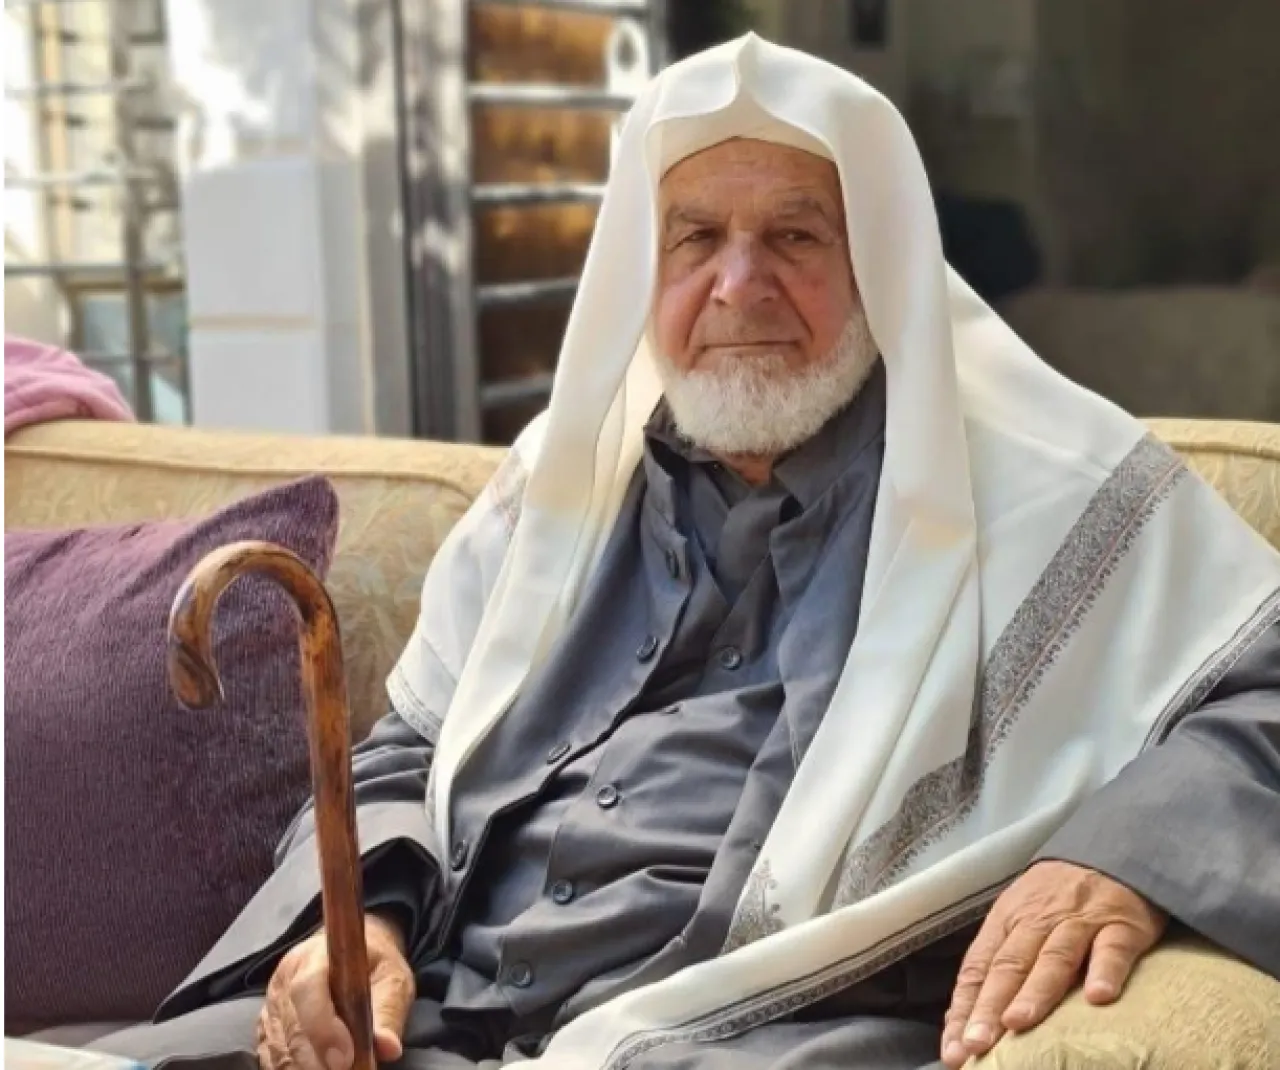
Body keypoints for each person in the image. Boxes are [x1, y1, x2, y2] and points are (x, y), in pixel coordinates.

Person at [91, 33, 1280, 1070]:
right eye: (694, 236)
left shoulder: (1039, 487)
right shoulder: (561, 476)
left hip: (749, 1025)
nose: (737, 284)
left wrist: (1117, 857)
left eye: (794, 236)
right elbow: (411, 743)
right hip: (429, 1011)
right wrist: (358, 926)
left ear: (879, 264)